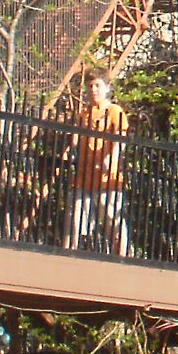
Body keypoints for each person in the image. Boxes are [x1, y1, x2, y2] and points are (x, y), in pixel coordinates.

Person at [71, 74, 129, 254]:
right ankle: (70, 253)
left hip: (106, 177)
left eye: (97, 85)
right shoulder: (84, 113)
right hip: (84, 174)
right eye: (90, 86)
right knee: (75, 218)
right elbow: (77, 139)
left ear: (106, 88)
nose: (93, 90)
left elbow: (120, 138)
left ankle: (122, 255)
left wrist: (109, 158)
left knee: (112, 219)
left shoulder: (113, 110)